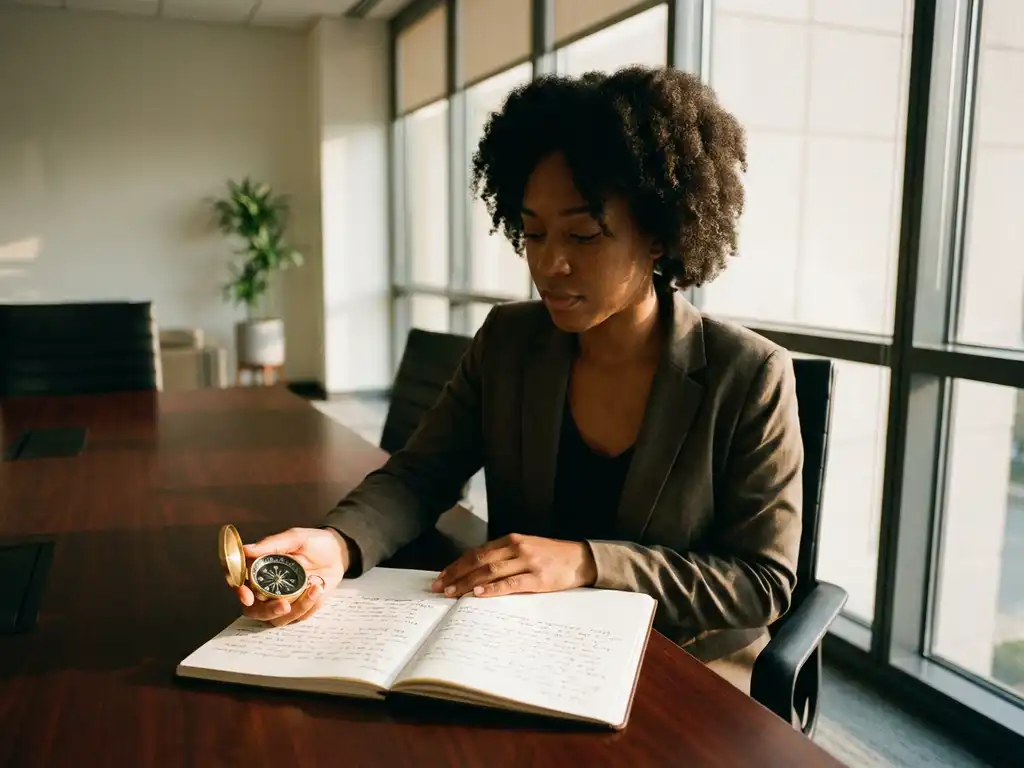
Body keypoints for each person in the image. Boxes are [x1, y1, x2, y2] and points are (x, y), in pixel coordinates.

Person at [233, 65, 804, 694]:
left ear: (661, 235)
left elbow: (760, 582)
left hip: (677, 671)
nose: (548, 264)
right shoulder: (509, 342)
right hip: (521, 650)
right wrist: (336, 545)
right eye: (531, 231)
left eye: (584, 235)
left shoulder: (748, 374)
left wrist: (589, 562)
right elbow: (419, 475)